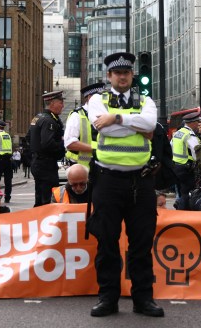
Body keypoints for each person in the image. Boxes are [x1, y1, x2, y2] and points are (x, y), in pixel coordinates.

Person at [86, 51, 163, 318]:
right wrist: (134, 124)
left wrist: (117, 118)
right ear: (109, 76)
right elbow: (103, 129)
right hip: (108, 181)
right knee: (106, 244)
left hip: (141, 182)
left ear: (131, 75)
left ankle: (143, 300)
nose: (122, 76)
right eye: (117, 73)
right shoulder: (97, 100)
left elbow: (150, 123)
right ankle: (108, 299)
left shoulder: (146, 100)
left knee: (141, 245)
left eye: (126, 73)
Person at [30, 90, 66, 207]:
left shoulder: (38, 117)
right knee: (48, 201)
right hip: (46, 165)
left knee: (39, 199)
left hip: (38, 162)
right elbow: (47, 143)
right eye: (60, 102)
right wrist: (63, 143)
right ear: (52, 103)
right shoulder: (49, 121)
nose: (62, 105)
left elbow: (27, 137)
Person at [64, 82, 105, 169]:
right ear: (90, 97)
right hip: (81, 169)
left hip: (102, 166)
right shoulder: (77, 115)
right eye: (100, 97)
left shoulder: (105, 114)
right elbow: (70, 143)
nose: (104, 100)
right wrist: (97, 149)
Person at [171, 110, 201, 209]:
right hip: (186, 168)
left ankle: (179, 203)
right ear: (192, 123)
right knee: (187, 193)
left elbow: (171, 146)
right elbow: (197, 151)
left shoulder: (178, 133)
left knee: (181, 191)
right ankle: (181, 209)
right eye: (197, 122)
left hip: (176, 167)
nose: (198, 124)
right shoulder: (189, 135)